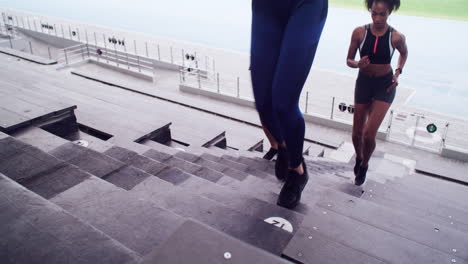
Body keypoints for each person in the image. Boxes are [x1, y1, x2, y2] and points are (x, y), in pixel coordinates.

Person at [250, 0, 328, 208]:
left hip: (306, 6)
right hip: (266, 7)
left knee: (283, 102)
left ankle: (297, 170)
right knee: (264, 103)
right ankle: (284, 145)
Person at [346, 0, 408, 185]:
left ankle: (364, 165)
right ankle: (358, 157)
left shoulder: (396, 37)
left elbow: (404, 54)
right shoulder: (359, 32)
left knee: (368, 134)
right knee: (356, 134)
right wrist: (357, 64)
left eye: (382, 14)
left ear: (389, 12)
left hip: (384, 85)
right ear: (370, 12)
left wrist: (397, 72)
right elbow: (349, 59)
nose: (378, 18)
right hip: (364, 83)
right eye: (374, 13)